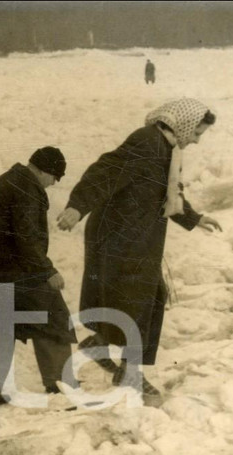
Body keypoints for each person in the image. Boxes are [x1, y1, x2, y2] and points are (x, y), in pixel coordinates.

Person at [56, 98, 222, 405]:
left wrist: (195, 218)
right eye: (198, 132)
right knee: (142, 296)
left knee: (139, 295)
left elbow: (173, 192)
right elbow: (104, 171)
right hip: (119, 236)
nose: (198, 139)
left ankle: (101, 343)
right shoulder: (147, 142)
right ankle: (129, 370)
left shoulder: (170, 150)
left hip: (135, 235)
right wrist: (77, 207)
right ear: (184, 124)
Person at [0, 147, 78, 404]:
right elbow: (26, 235)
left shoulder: (7, 180)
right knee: (53, 315)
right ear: (44, 170)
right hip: (16, 270)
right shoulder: (27, 187)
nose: (54, 184)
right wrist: (47, 270)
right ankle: (61, 383)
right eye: (55, 177)